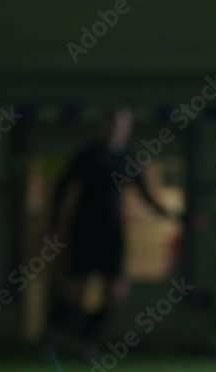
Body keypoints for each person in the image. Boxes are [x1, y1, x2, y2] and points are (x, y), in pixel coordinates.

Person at [49, 106, 172, 358]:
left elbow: (146, 195)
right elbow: (63, 188)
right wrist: (54, 224)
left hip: (113, 232)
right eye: (112, 123)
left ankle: (87, 341)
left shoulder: (128, 158)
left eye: (121, 124)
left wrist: (178, 217)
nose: (116, 129)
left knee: (115, 291)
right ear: (104, 126)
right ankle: (54, 335)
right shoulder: (87, 155)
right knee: (76, 289)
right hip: (84, 228)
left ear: (127, 129)